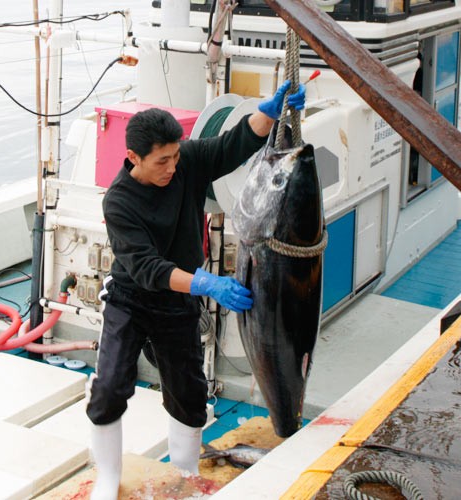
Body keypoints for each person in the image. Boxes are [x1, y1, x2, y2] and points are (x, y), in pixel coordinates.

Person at [86, 80, 305, 500]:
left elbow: (230, 146)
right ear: (133, 157)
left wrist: (268, 111)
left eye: (175, 155)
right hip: (131, 298)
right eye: (162, 161)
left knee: (188, 389)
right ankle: (107, 476)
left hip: (176, 301)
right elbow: (147, 267)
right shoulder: (119, 201)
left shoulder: (184, 161)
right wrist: (206, 282)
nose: (172, 166)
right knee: (111, 386)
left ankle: (185, 468)